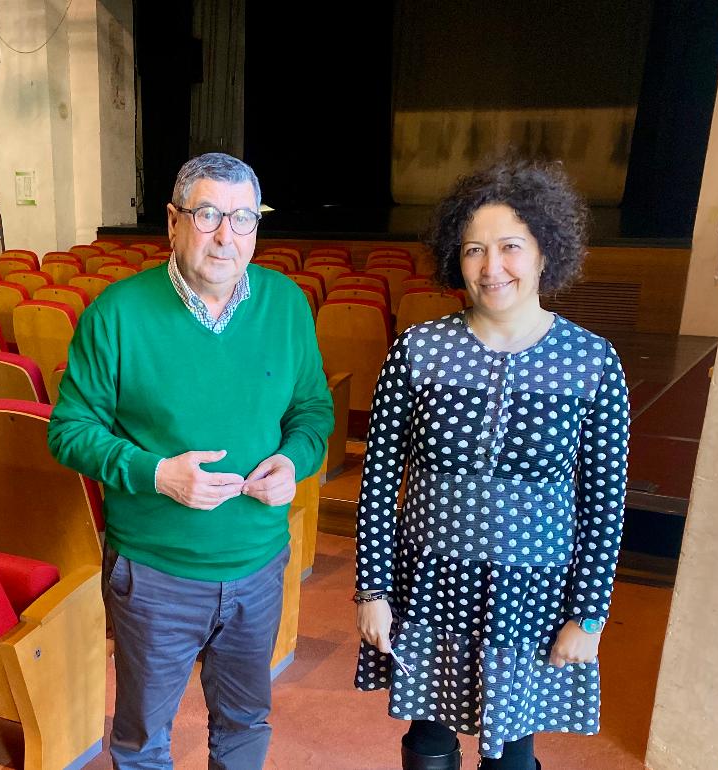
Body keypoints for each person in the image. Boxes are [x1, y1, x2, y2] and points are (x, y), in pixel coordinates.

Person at [48, 152, 333, 769]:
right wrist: (157, 474)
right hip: (155, 576)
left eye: (243, 218)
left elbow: (312, 412)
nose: (226, 235)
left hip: (257, 568)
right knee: (143, 738)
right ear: (173, 222)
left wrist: (293, 462)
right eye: (208, 215)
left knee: (244, 724)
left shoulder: (286, 305)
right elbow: (68, 432)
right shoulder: (117, 314)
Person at [353, 157, 630, 770]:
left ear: (543, 252)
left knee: (512, 750)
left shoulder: (591, 362)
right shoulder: (418, 351)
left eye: (510, 246)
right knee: (428, 742)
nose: (491, 266)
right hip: (429, 584)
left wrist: (589, 614)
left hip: (531, 593)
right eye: (474, 249)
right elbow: (377, 485)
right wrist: (371, 590)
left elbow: (604, 505)